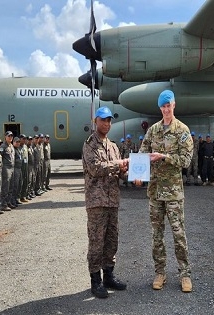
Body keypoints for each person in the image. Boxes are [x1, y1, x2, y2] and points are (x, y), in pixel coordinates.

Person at [134, 89, 194, 293]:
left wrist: (163, 157)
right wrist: (138, 173)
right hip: (155, 192)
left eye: (169, 106)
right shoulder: (153, 131)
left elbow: (186, 162)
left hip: (174, 193)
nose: (166, 110)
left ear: (174, 105)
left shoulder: (182, 131)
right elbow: (142, 154)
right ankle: (160, 273)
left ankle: (185, 274)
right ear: (160, 108)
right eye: (163, 107)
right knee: (156, 236)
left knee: (179, 234)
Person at [82, 106, 129, 299]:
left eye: (109, 120)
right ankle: (96, 281)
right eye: (103, 120)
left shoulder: (113, 146)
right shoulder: (89, 144)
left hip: (112, 201)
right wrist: (117, 165)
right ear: (96, 121)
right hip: (96, 202)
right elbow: (95, 168)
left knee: (111, 240)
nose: (107, 124)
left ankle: (109, 276)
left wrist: (126, 171)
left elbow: (119, 173)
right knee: (96, 242)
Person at [1, 131, 16, 210]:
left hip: (12, 167)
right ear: (5, 137)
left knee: (11, 186)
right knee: (5, 186)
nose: (10, 137)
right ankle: (3, 204)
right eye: (8, 136)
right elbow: (0, 157)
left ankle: (8, 201)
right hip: (6, 168)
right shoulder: (3, 146)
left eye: (11, 136)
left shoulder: (11, 146)